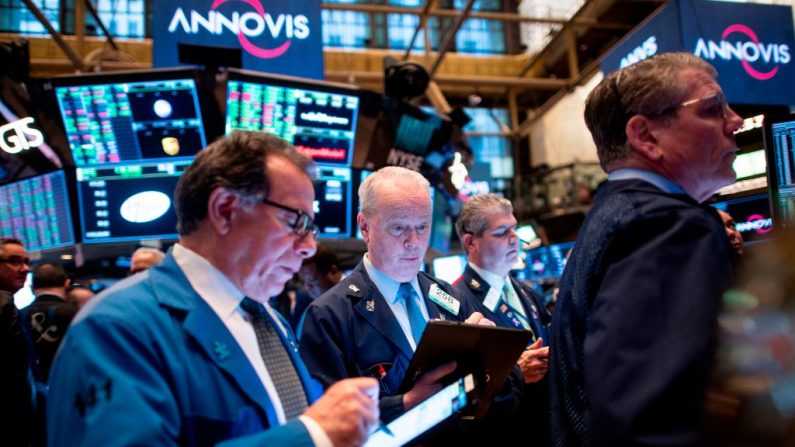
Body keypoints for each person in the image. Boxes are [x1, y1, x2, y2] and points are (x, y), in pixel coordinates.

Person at [47, 131, 379, 446]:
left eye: (312, 227)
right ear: (224, 210)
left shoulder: (271, 320)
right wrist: (311, 436)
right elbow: (309, 430)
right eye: (297, 221)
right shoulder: (115, 329)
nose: (309, 246)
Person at [549, 52, 742, 446]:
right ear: (646, 136)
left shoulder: (614, 213)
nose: (736, 121)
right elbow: (650, 422)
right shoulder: (668, 226)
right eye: (713, 108)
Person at [299, 166, 492, 424]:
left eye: (422, 227)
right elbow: (325, 423)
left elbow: (496, 403)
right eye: (399, 228)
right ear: (365, 227)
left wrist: (490, 360)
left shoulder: (447, 295)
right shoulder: (329, 316)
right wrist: (404, 405)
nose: (413, 241)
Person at [452, 193, 551, 444]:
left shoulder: (526, 291)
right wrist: (516, 371)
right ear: (470, 242)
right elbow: (463, 392)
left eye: (515, 229)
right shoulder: (456, 302)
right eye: (501, 232)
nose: (514, 239)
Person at [0, 237, 34, 446]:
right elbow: (14, 373)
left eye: (26, 262)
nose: (25, 269)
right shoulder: (4, 303)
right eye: (15, 261)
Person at [23, 262, 78, 383]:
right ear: (67, 284)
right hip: (67, 384)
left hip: (28, 391)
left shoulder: (18, 315)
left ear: (32, 288)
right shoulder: (78, 315)